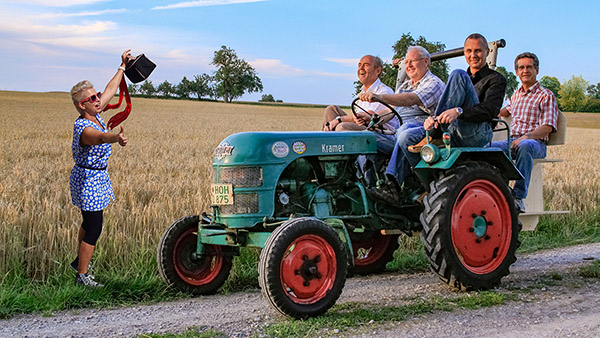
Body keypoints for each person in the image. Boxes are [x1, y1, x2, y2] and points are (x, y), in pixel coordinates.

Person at [69, 49, 132, 287]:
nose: (98, 99)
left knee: (88, 222)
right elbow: (99, 138)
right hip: (88, 180)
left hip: (95, 177)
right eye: (92, 98)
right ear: (81, 105)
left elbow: (110, 90)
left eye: (96, 96)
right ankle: (82, 277)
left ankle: (79, 264)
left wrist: (122, 67)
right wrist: (117, 138)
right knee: (94, 226)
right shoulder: (84, 127)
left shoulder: (95, 113)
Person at [358, 46, 445, 199]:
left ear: (426, 62)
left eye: (413, 61)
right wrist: (373, 119)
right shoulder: (405, 85)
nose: (409, 66)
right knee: (365, 138)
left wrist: (379, 97)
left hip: (424, 130)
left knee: (405, 133)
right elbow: (392, 111)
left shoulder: (433, 83)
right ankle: (367, 187)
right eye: (407, 62)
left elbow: (412, 99)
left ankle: (394, 185)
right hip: (399, 129)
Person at [412, 33, 507, 152]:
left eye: (478, 51)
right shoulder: (459, 82)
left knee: (458, 73)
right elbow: (447, 103)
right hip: (455, 130)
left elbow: (489, 110)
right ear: (465, 53)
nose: (473, 55)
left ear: (487, 52)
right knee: (406, 137)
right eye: (469, 51)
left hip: (478, 133)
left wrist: (459, 112)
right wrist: (432, 118)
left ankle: (435, 134)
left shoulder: (496, 79)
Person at [491, 52, 559, 213]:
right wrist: (492, 114)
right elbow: (505, 111)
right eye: (521, 68)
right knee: (488, 148)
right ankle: (498, 191)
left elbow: (548, 126)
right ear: (516, 72)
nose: (525, 71)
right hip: (512, 140)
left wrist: (525, 137)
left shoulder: (546, 95)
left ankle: (518, 197)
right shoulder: (517, 94)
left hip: (535, 143)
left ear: (537, 70)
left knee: (526, 145)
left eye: (529, 67)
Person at [322, 55, 397, 155]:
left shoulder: (383, 91)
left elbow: (367, 116)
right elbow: (358, 119)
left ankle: (346, 165)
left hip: (379, 134)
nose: (361, 68)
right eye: (359, 65)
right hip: (365, 128)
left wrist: (339, 119)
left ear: (378, 70)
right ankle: (324, 153)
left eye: (366, 65)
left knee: (342, 127)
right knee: (330, 109)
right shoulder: (362, 92)